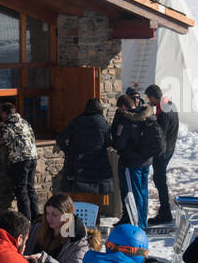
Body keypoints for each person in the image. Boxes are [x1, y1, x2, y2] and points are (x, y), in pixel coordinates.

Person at [111, 95, 165, 232]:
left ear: (123, 107)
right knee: (142, 192)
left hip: (131, 163)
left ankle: (138, 225)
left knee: (132, 194)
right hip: (146, 161)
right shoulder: (147, 115)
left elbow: (119, 144)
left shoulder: (127, 120)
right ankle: (142, 221)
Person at [55, 97, 114, 207]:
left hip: (78, 165)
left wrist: (69, 151)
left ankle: (79, 222)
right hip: (98, 165)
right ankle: (95, 220)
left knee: (78, 200)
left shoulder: (77, 121)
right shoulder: (102, 123)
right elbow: (108, 143)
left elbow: (60, 139)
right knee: (96, 201)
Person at [24, 193, 88, 263]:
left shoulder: (78, 241)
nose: (49, 218)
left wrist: (43, 258)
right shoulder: (39, 227)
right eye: (47, 214)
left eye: (54, 215)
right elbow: (26, 253)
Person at [0, 101, 40, 222]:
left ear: (4, 113)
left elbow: (4, 142)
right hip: (32, 156)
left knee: (21, 190)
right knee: (30, 188)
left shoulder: (5, 125)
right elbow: (32, 136)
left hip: (20, 159)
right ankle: (36, 217)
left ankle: (26, 221)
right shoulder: (24, 122)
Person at [145, 83, 179, 228]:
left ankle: (165, 213)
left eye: (149, 99)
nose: (149, 102)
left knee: (160, 180)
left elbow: (160, 134)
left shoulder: (162, 112)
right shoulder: (170, 104)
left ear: (153, 97)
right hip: (169, 148)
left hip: (163, 151)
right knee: (159, 179)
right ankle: (165, 211)